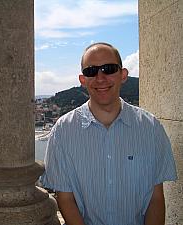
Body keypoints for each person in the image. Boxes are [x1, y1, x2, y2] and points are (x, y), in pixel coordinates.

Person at [40, 42, 177, 225]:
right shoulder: (63, 131)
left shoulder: (150, 128)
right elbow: (65, 198)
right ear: (83, 80)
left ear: (123, 75)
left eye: (109, 69)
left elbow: (155, 198)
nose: (100, 77)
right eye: (91, 71)